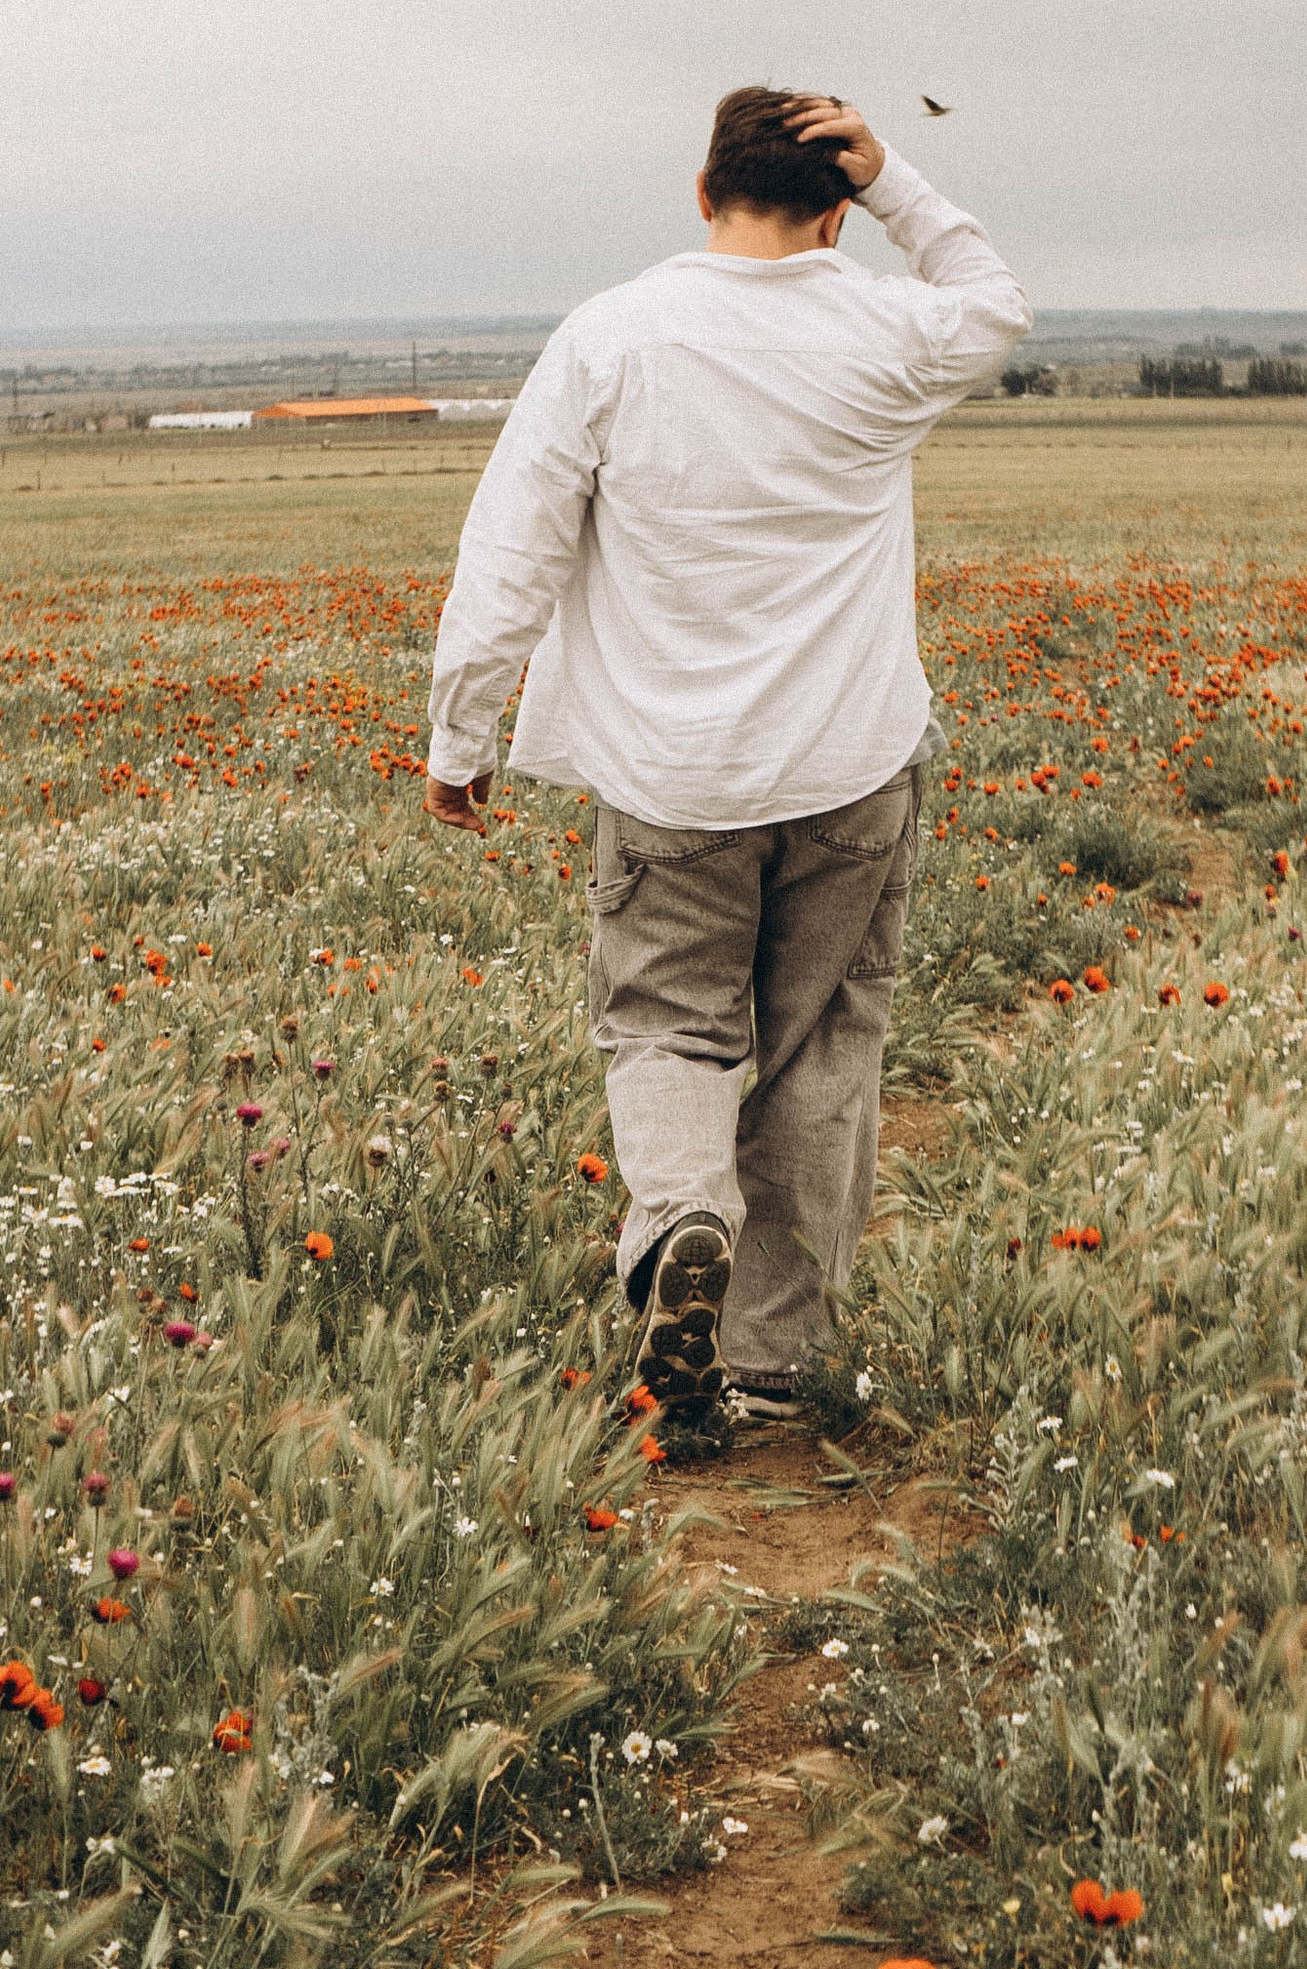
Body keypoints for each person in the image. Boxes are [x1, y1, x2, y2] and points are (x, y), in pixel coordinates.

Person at [424, 86, 1029, 1430]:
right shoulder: (882, 325)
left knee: (666, 1025)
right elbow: (994, 305)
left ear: (704, 195)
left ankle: (683, 1217)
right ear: (837, 213)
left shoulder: (613, 337)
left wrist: (463, 733)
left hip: (668, 777)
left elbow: (510, 549)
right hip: (853, 766)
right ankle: (767, 1355)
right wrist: (901, 184)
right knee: (825, 1046)